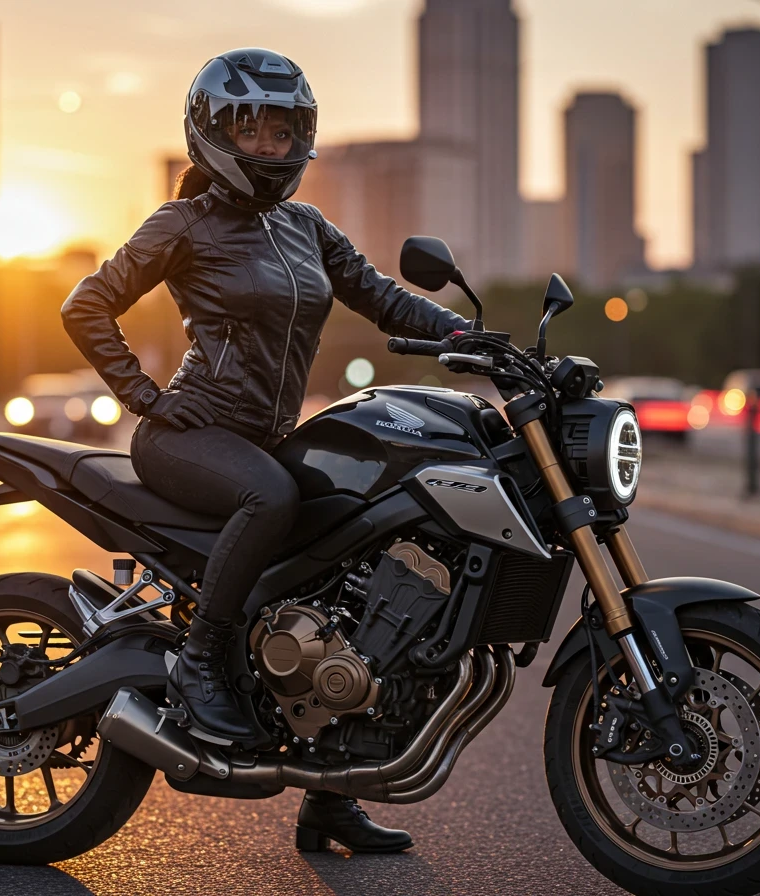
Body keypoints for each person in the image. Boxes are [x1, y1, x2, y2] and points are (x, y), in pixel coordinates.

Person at [61, 48, 469, 853]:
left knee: (350, 563)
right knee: (272, 498)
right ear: (215, 133)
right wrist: (144, 396)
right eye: (256, 131)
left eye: (286, 132)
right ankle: (201, 659)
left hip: (266, 438)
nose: (273, 147)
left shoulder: (305, 226)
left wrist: (466, 334)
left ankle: (332, 794)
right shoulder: (183, 222)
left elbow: (380, 296)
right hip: (190, 436)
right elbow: (87, 304)